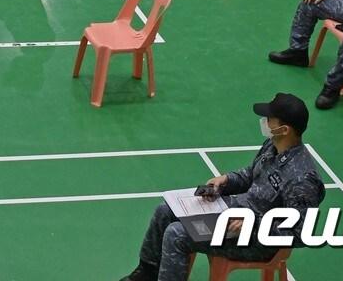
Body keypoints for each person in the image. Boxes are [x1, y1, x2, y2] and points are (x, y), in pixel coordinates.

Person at [118, 93, 325, 281]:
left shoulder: (302, 179)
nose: (264, 121)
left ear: (285, 129)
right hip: (234, 212)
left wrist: (253, 224)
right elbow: (250, 176)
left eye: (269, 119)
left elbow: (299, 232)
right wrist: (225, 181)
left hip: (255, 240)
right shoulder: (273, 145)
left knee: (177, 234)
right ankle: (147, 272)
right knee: (164, 211)